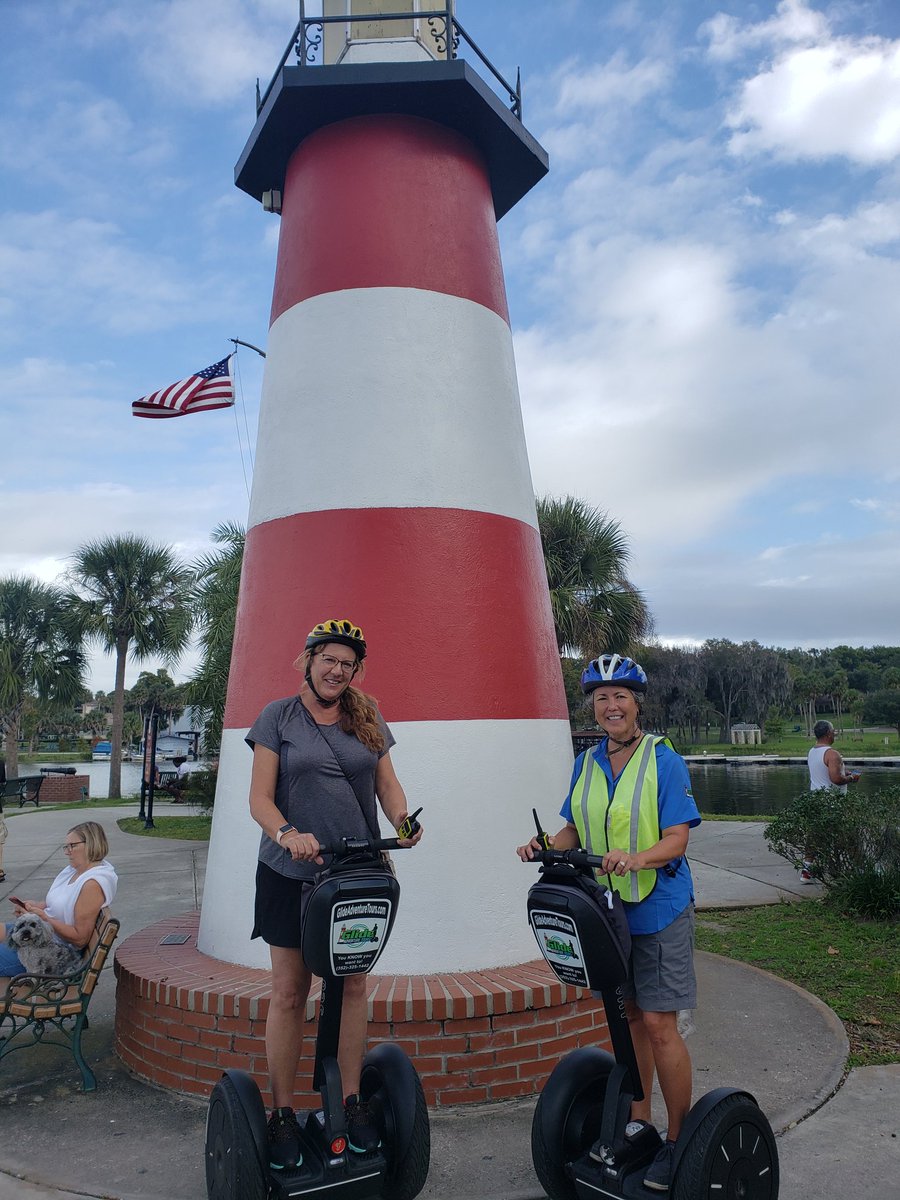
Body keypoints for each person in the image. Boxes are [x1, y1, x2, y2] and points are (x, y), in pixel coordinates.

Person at [517, 654, 700, 1193]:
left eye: (620, 695)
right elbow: (575, 826)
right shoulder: (588, 761)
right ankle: (638, 1120)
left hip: (658, 905)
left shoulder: (663, 759)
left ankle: (678, 1140)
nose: (611, 705)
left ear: (636, 703)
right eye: (601, 697)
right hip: (609, 910)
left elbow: (677, 838)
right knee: (631, 1020)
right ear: (592, 708)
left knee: (662, 1024)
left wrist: (636, 858)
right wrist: (544, 846)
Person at [246, 617, 422, 1172]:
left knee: (351, 987)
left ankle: (347, 1103)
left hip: (354, 871)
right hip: (290, 873)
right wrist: (287, 834)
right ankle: (282, 1113)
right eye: (329, 660)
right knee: (290, 993)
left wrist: (402, 817)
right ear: (308, 659)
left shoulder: (365, 715)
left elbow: (386, 782)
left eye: (348, 664)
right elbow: (259, 799)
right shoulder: (278, 717)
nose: (337, 671)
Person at [0, 821, 118, 986]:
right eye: (66, 846)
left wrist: (45, 918)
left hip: (46, 952)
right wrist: (33, 906)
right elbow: (52, 903)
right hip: (35, 933)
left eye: (72, 846)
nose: (67, 852)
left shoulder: (93, 884)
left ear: (91, 844)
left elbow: (80, 939)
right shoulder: (73, 870)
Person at [802, 720, 860, 883]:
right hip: (833, 803)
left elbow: (824, 772)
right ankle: (858, 870)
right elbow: (836, 779)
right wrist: (851, 777)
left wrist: (843, 771)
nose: (835, 733)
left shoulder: (812, 751)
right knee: (849, 834)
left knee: (815, 835)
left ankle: (806, 871)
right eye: (833, 731)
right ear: (828, 733)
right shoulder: (832, 753)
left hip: (817, 800)